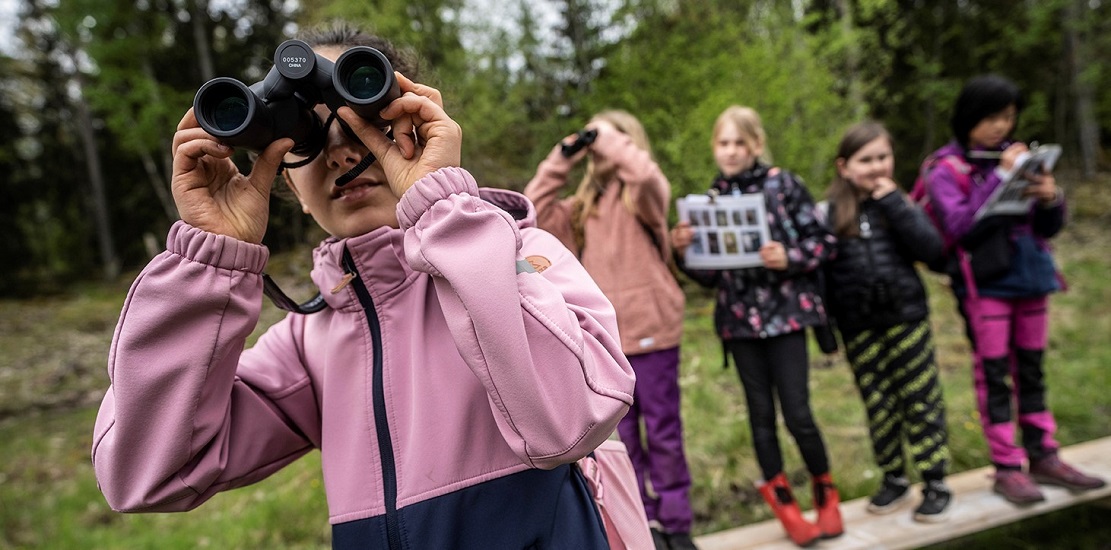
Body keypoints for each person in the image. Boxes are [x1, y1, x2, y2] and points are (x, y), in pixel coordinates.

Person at [90, 22, 637, 549]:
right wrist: (207, 262)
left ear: (420, 135)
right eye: (304, 138)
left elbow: (572, 420)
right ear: (292, 189)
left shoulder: (524, 258)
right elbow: (145, 471)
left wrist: (444, 209)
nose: (344, 153)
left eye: (363, 126)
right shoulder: (309, 344)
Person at [922, 74, 1106, 506]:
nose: (1001, 128)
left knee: (1032, 368)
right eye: (991, 118)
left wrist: (1050, 197)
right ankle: (1007, 465)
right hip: (984, 284)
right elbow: (960, 228)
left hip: (1031, 277)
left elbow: (1048, 228)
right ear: (968, 118)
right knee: (994, 374)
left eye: (1007, 118)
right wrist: (999, 179)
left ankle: (1044, 453)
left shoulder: (1018, 157)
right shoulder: (945, 168)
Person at [671, 106, 841, 548]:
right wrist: (684, 253)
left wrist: (789, 257)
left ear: (756, 145)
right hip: (740, 325)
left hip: (786, 318)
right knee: (760, 418)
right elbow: (710, 276)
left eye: (738, 143)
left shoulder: (783, 184)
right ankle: (784, 505)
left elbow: (823, 242)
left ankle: (826, 491)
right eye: (723, 143)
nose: (730, 151)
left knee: (799, 414)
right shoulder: (709, 197)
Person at [525, 111, 696, 550]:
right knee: (622, 446)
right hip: (604, 343)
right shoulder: (580, 209)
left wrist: (609, 138)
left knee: (663, 433)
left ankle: (677, 524)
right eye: (592, 137)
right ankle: (644, 525)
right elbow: (532, 212)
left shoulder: (643, 198)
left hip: (653, 332)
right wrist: (563, 157)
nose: (596, 144)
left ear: (627, 144)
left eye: (607, 137)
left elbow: (647, 176)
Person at [822, 121, 952, 522]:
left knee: (920, 399)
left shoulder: (900, 205)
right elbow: (822, 275)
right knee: (879, 404)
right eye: (866, 160)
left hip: (906, 319)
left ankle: (935, 480)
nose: (877, 166)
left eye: (883, 157)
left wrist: (896, 203)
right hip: (858, 326)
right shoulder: (829, 213)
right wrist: (825, 331)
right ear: (845, 166)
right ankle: (894, 478)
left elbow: (934, 253)